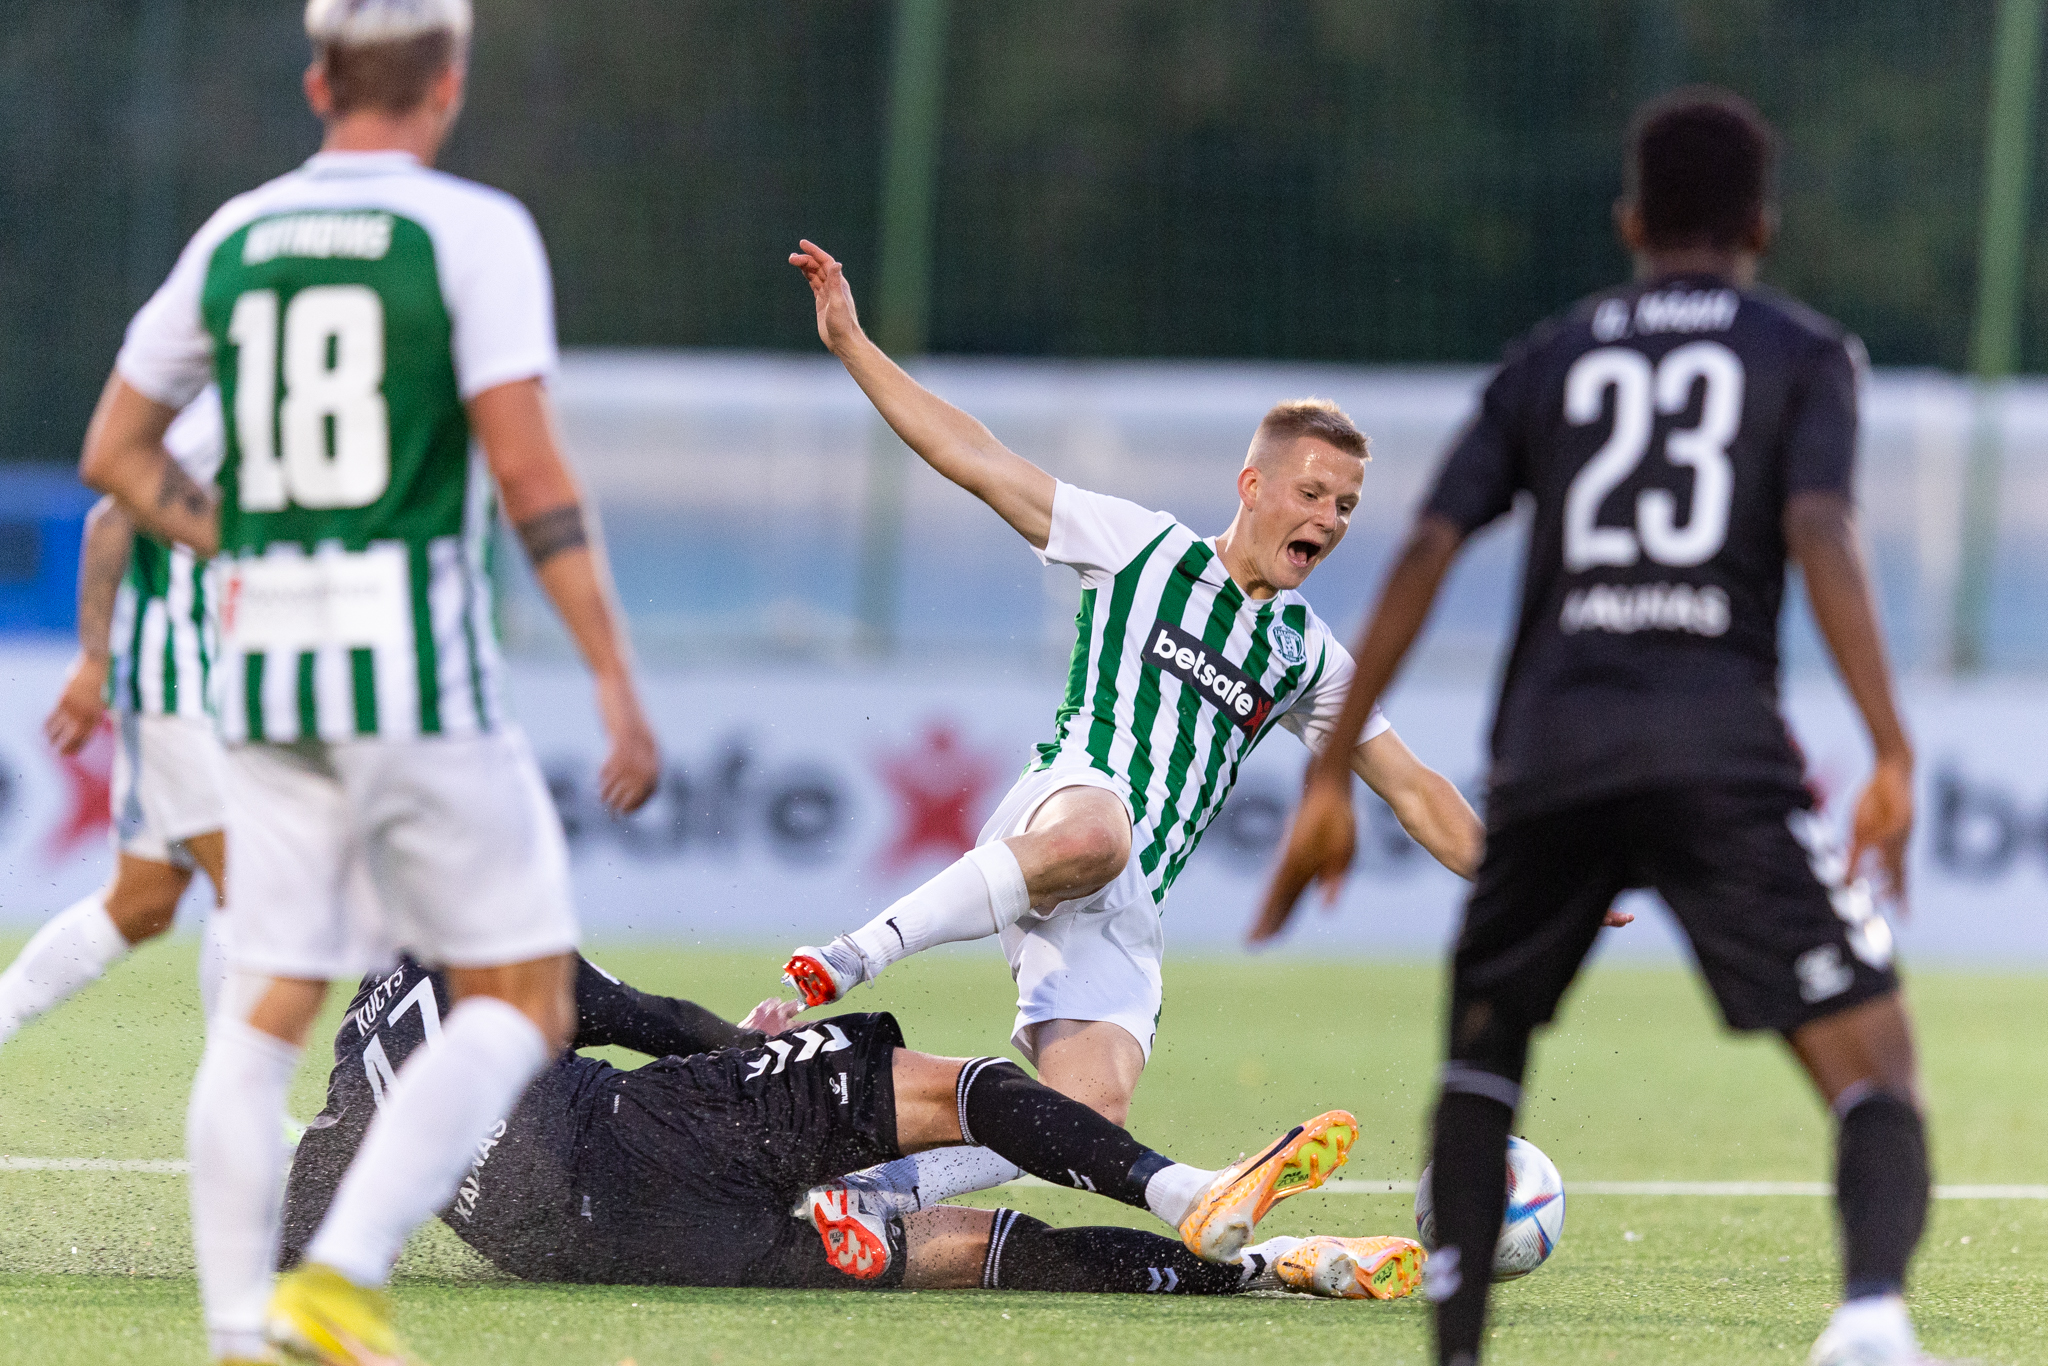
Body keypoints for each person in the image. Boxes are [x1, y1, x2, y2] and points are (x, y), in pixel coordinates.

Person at [1255, 89, 1928, 1366]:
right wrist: (1889, 745)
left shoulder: (1546, 358)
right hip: (1714, 746)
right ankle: (1868, 1322)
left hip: (1552, 752)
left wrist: (1331, 772)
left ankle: (1455, 1352)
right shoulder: (1802, 351)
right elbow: (1820, 533)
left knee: (1483, 1057)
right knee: (1872, 1054)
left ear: (1627, 220)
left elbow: (1427, 548)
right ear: (1760, 229)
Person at [76, 3, 661, 1361]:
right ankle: (336, 1278)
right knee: (523, 997)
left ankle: (239, 1331)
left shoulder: (235, 236)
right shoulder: (475, 232)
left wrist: (245, 538)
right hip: (414, 676)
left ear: (317, 79)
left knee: (268, 1007)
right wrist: (614, 673)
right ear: (447, 86)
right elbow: (526, 472)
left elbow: (116, 450)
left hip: (267, 677)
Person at [777, 238, 1494, 1211]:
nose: (1328, 519)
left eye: (1346, 506)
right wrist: (853, 343)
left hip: (1123, 898)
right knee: (1099, 833)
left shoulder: (1302, 652)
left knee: (1087, 1113)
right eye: (1312, 493)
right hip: (1066, 807)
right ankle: (855, 952)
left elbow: (1412, 787)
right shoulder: (1139, 548)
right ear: (1252, 487)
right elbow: (976, 459)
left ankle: (871, 1195)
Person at [280, 953, 1420, 1303]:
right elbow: (653, 1021)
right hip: (640, 1136)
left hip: (635, 1253)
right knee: (950, 1085)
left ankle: (1263, 1275)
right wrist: (748, 1052)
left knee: (953, 1256)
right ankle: (1189, 1196)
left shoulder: (346, 1087)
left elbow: (306, 1207)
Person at [1, 392, 232, 1045]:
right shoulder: (228, 410)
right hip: (181, 683)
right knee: (248, 884)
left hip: (210, 687)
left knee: (143, 900)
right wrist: (95, 661)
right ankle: (238, 1111)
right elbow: (113, 514)